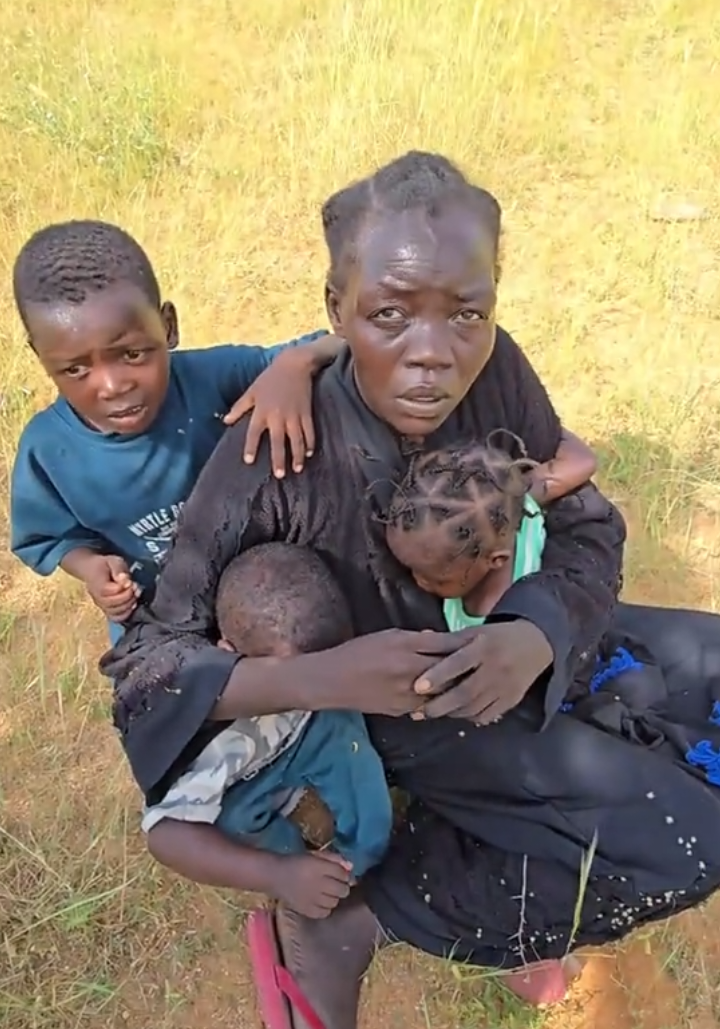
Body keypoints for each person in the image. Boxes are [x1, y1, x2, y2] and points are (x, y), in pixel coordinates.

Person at [102, 151, 720, 1029]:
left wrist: (536, 629)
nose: (433, 354)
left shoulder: (495, 369)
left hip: (522, 640)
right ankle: (363, 920)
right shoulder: (276, 453)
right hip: (418, 711)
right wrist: (323, 678)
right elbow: (148, 671)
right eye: (389, 315)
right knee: (687, 841)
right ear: (337, 309)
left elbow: (584, 521)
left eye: (467, 313)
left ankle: (528, 831)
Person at [9, 220, 343, 643]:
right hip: (161, 624)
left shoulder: (212, 377)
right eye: (75, 369)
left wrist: (296, 365)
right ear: (41, 356)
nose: (112, 386)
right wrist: (91, 568)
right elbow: (52, 536)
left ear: (167, 326)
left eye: (132, 354)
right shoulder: (48, 451)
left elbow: (340, 342)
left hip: (263, 597)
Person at [144, 543, 392, 918]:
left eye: (323, 672)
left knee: (349, 743)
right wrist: (278, 875)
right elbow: (165, 835)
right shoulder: (206, 734)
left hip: (311, 732)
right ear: (228, 655)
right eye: (295, 681)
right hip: (246, 782)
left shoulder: (311, 657)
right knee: (232, 824)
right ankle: (297, 874)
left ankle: (359, 863)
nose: (308, 689)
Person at [384, 434, 584, 630]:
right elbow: (582, 462)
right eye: (411, 569)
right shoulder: (509, 506)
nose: (419, 582)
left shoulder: (494, 620)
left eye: (439, 580)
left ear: (496, 560)